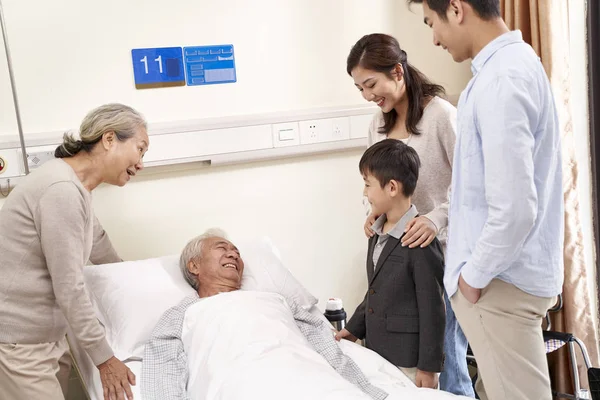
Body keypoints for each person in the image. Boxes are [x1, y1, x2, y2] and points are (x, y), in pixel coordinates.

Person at [408, 1, 564, 399]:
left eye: (432, 23)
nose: (434, 38)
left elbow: (514, 209)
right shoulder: (513, 65)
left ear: (456, 9)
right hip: (505, 280)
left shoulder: (502, 79)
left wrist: (471, 278)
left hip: (499, 285)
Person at [346, 33, 474, 396]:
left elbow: (471, 188)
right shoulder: (378, 124)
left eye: (371, 84)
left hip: (443, 258)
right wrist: (371, 214)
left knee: (444, 365)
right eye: (360, 88)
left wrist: (436, 219)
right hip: (397, 259)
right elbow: (373, 179)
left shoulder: (442, 118)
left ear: (397, 72)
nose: (369, 95)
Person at [0, 103, 150, 400]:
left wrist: (139, 285)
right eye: (140, 149)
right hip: (20, 344)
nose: (141, 163)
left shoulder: (76, 187)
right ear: (109, 139)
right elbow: (69, 287)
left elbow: (98, 242)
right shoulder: (61, 190)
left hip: (48, 336)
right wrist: (105, 359)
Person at [141, 229, 388, 400]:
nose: (233, 254)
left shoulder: (276, 299)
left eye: (236, 252)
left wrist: (364, 389)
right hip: (240, 383)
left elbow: (324, 344)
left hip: (308, 375)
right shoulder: (183, 313)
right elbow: (164, 368)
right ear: (193, 266)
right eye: (222, 248)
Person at [335, 139, 445, 389]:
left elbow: (433, 310)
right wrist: (353, 329)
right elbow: (375, 292)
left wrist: (429, 368)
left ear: (392, 187)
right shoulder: (377, 231)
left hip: (408, 361)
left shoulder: (420, 239)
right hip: (377, 354)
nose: (364, 192)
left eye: (367, 184)